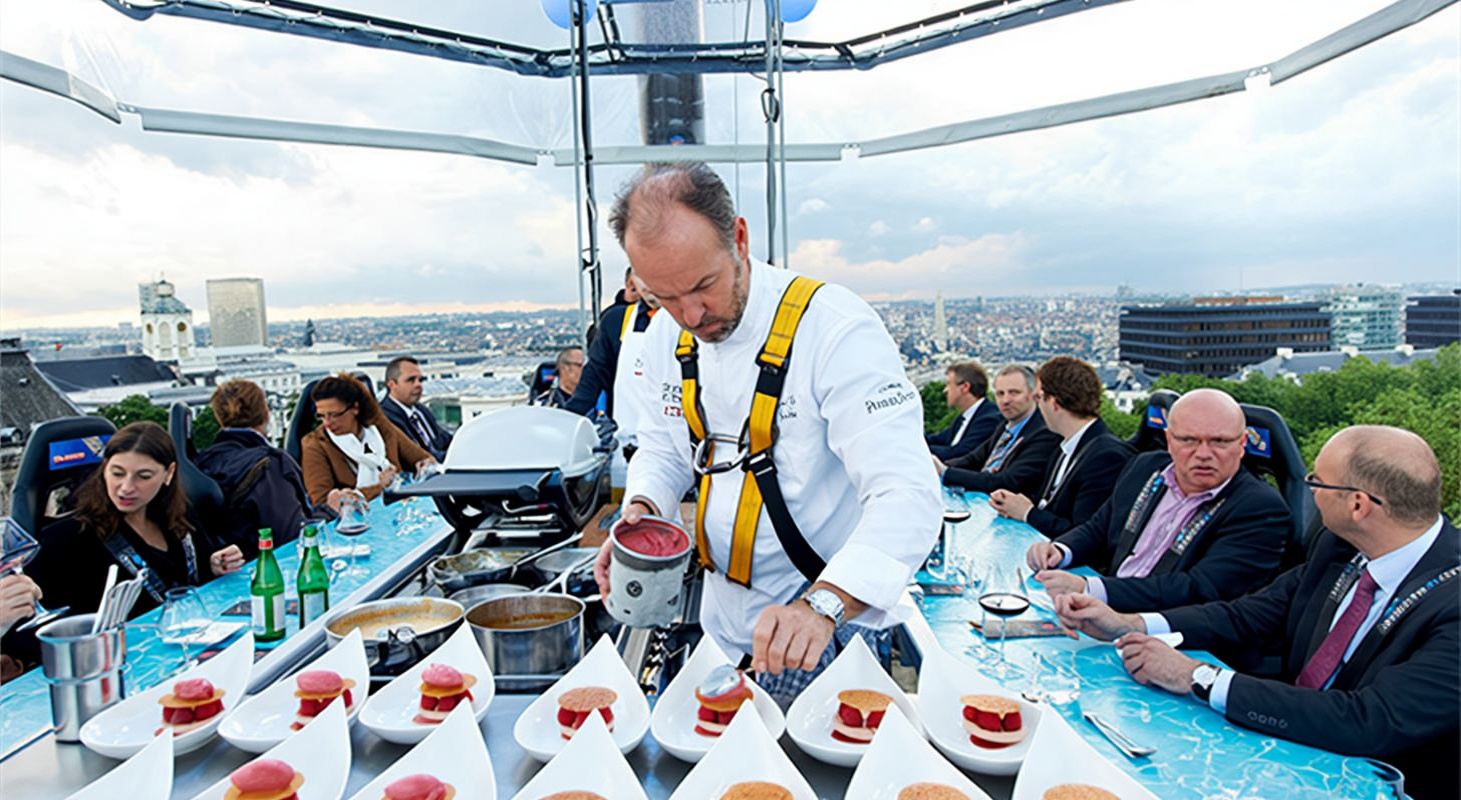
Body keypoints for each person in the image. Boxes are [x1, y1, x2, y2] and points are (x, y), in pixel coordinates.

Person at [590, 162, 941, 705]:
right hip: (721, 618)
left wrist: (824, 604)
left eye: (704, 284)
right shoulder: (666, 336)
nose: (691, 314)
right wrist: (643, 507)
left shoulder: (834, 328)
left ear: (740, 238)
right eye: (665, 296)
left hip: (824, 621)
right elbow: (663, 445)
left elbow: (907, 492)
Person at [1055, 426, 1458, 800]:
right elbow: (1250, 614)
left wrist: (1196, 677)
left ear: (1358, 504)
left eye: (1318, 481)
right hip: (1284, 753)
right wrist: (1130, 623)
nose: (1310, 491)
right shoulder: (1339, 546)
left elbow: (1369, 721)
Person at [1025, 388, 1292, 613]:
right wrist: (1061, 550)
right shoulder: (1144, 467)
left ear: (1242, 443)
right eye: (1188, 440)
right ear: (1168, 440)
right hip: (1103, 608)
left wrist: (1091, 588)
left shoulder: (1260, 509)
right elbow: (1100, 527)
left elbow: (1198, 590)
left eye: (1219, 442)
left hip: (1170, 638)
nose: (1203, 454)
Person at [15, 423, 243, 655]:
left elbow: (190, 582)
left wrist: (214, 565)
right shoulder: (67, 539)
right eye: (117, 473)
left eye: (143, 476)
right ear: (103, 469)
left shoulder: (181, 518)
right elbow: (30, 625)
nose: (126, 488)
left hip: (191, 648)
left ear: (169, 474)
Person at [989, 356, 1134, 537]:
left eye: (1040, 398)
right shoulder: (1066, 444)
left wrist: (1027, 513)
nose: (1038, 405)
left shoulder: (1106, 456)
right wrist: (1015, 503)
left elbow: (1084, 535)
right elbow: (1049, 504)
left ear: (1054, 403)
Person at [196, 379, 325, 558]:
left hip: (230, 568)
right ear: (265, 413)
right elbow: (292, 535)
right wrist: (330, 510)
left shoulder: (200, 462)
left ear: (219, 417)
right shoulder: (271, 463)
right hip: (272, 568)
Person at [300, 373, 433, 505]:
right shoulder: (315, 444)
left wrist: (423, 469)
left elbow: (424, 460)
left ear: (355, 408)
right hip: (355, 520)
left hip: (401, 509)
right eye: (322, 416)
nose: (327, 423)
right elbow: (322, 502)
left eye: (335, 415)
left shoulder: (380, 429)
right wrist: (380, 487)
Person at [937, 364, 1061, 497]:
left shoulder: (1044, 433)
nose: (1005, 400)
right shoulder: (1005, 425)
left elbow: (1007, 482)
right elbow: (973, 459)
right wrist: (939, 467)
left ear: (1033, 395)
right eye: (1000, 394)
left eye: (1014, 392)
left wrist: (946, 472)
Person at [380, 356, 453, 461]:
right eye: (411, 380)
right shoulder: (387, 419)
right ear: (392, 384)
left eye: (420, 380)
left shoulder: (421, 410)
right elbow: (416, 457)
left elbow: (444, 440)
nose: (418, 385)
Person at [925, 362, 1000, 462]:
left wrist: (918, 450)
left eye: (948, 384)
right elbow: (936, 439)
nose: (945, 390)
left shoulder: (989, 419)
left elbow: (959, 453)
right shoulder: (964, 418)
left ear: (965, 387)